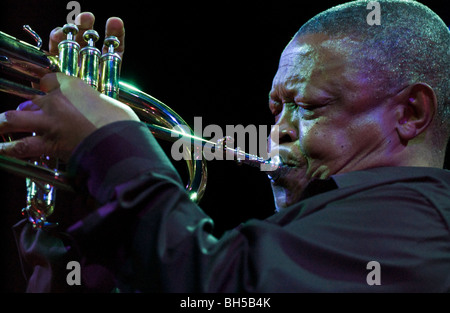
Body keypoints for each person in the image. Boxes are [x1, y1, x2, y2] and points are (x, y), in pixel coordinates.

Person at [0, 0, 449, 292]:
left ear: (411, 113)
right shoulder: (299, 238)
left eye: (310, 106)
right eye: (276, 111)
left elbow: (222, 291)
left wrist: (111, 144)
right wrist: (78, 201)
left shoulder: (422, 225)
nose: (280, 132)